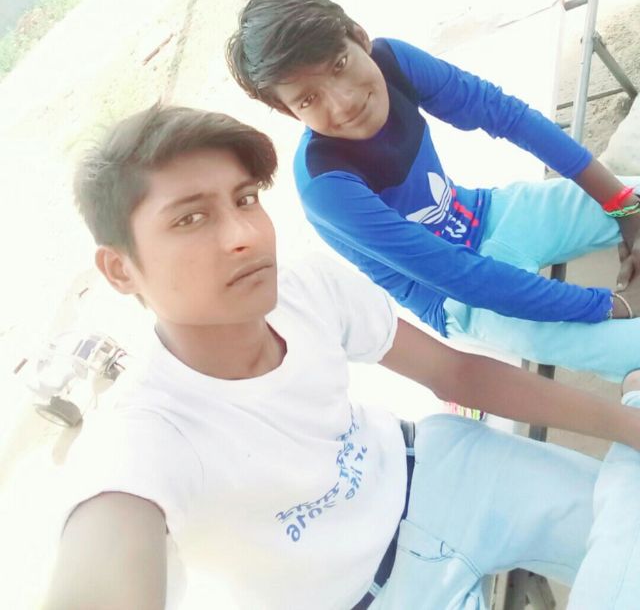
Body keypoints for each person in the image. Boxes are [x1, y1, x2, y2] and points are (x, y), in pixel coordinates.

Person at [46, 104, 640, 609]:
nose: (243, 235)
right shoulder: (143, 432)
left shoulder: (306, 290)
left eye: (246, 199)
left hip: (433, 468)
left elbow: (454, 371)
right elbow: (101, 562)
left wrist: (627, 423)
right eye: (191, 218)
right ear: (120, 269)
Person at [226, 0, 640, 380]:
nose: (344, 102)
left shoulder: (393, 62)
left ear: (359, 36)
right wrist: (609, 305)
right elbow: (460, 277)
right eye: (308, 99)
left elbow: (505, 115)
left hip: (487, 214)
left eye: (339, 65)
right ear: (290, 112)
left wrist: (624, 207)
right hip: (458, 301)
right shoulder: (325, 184)